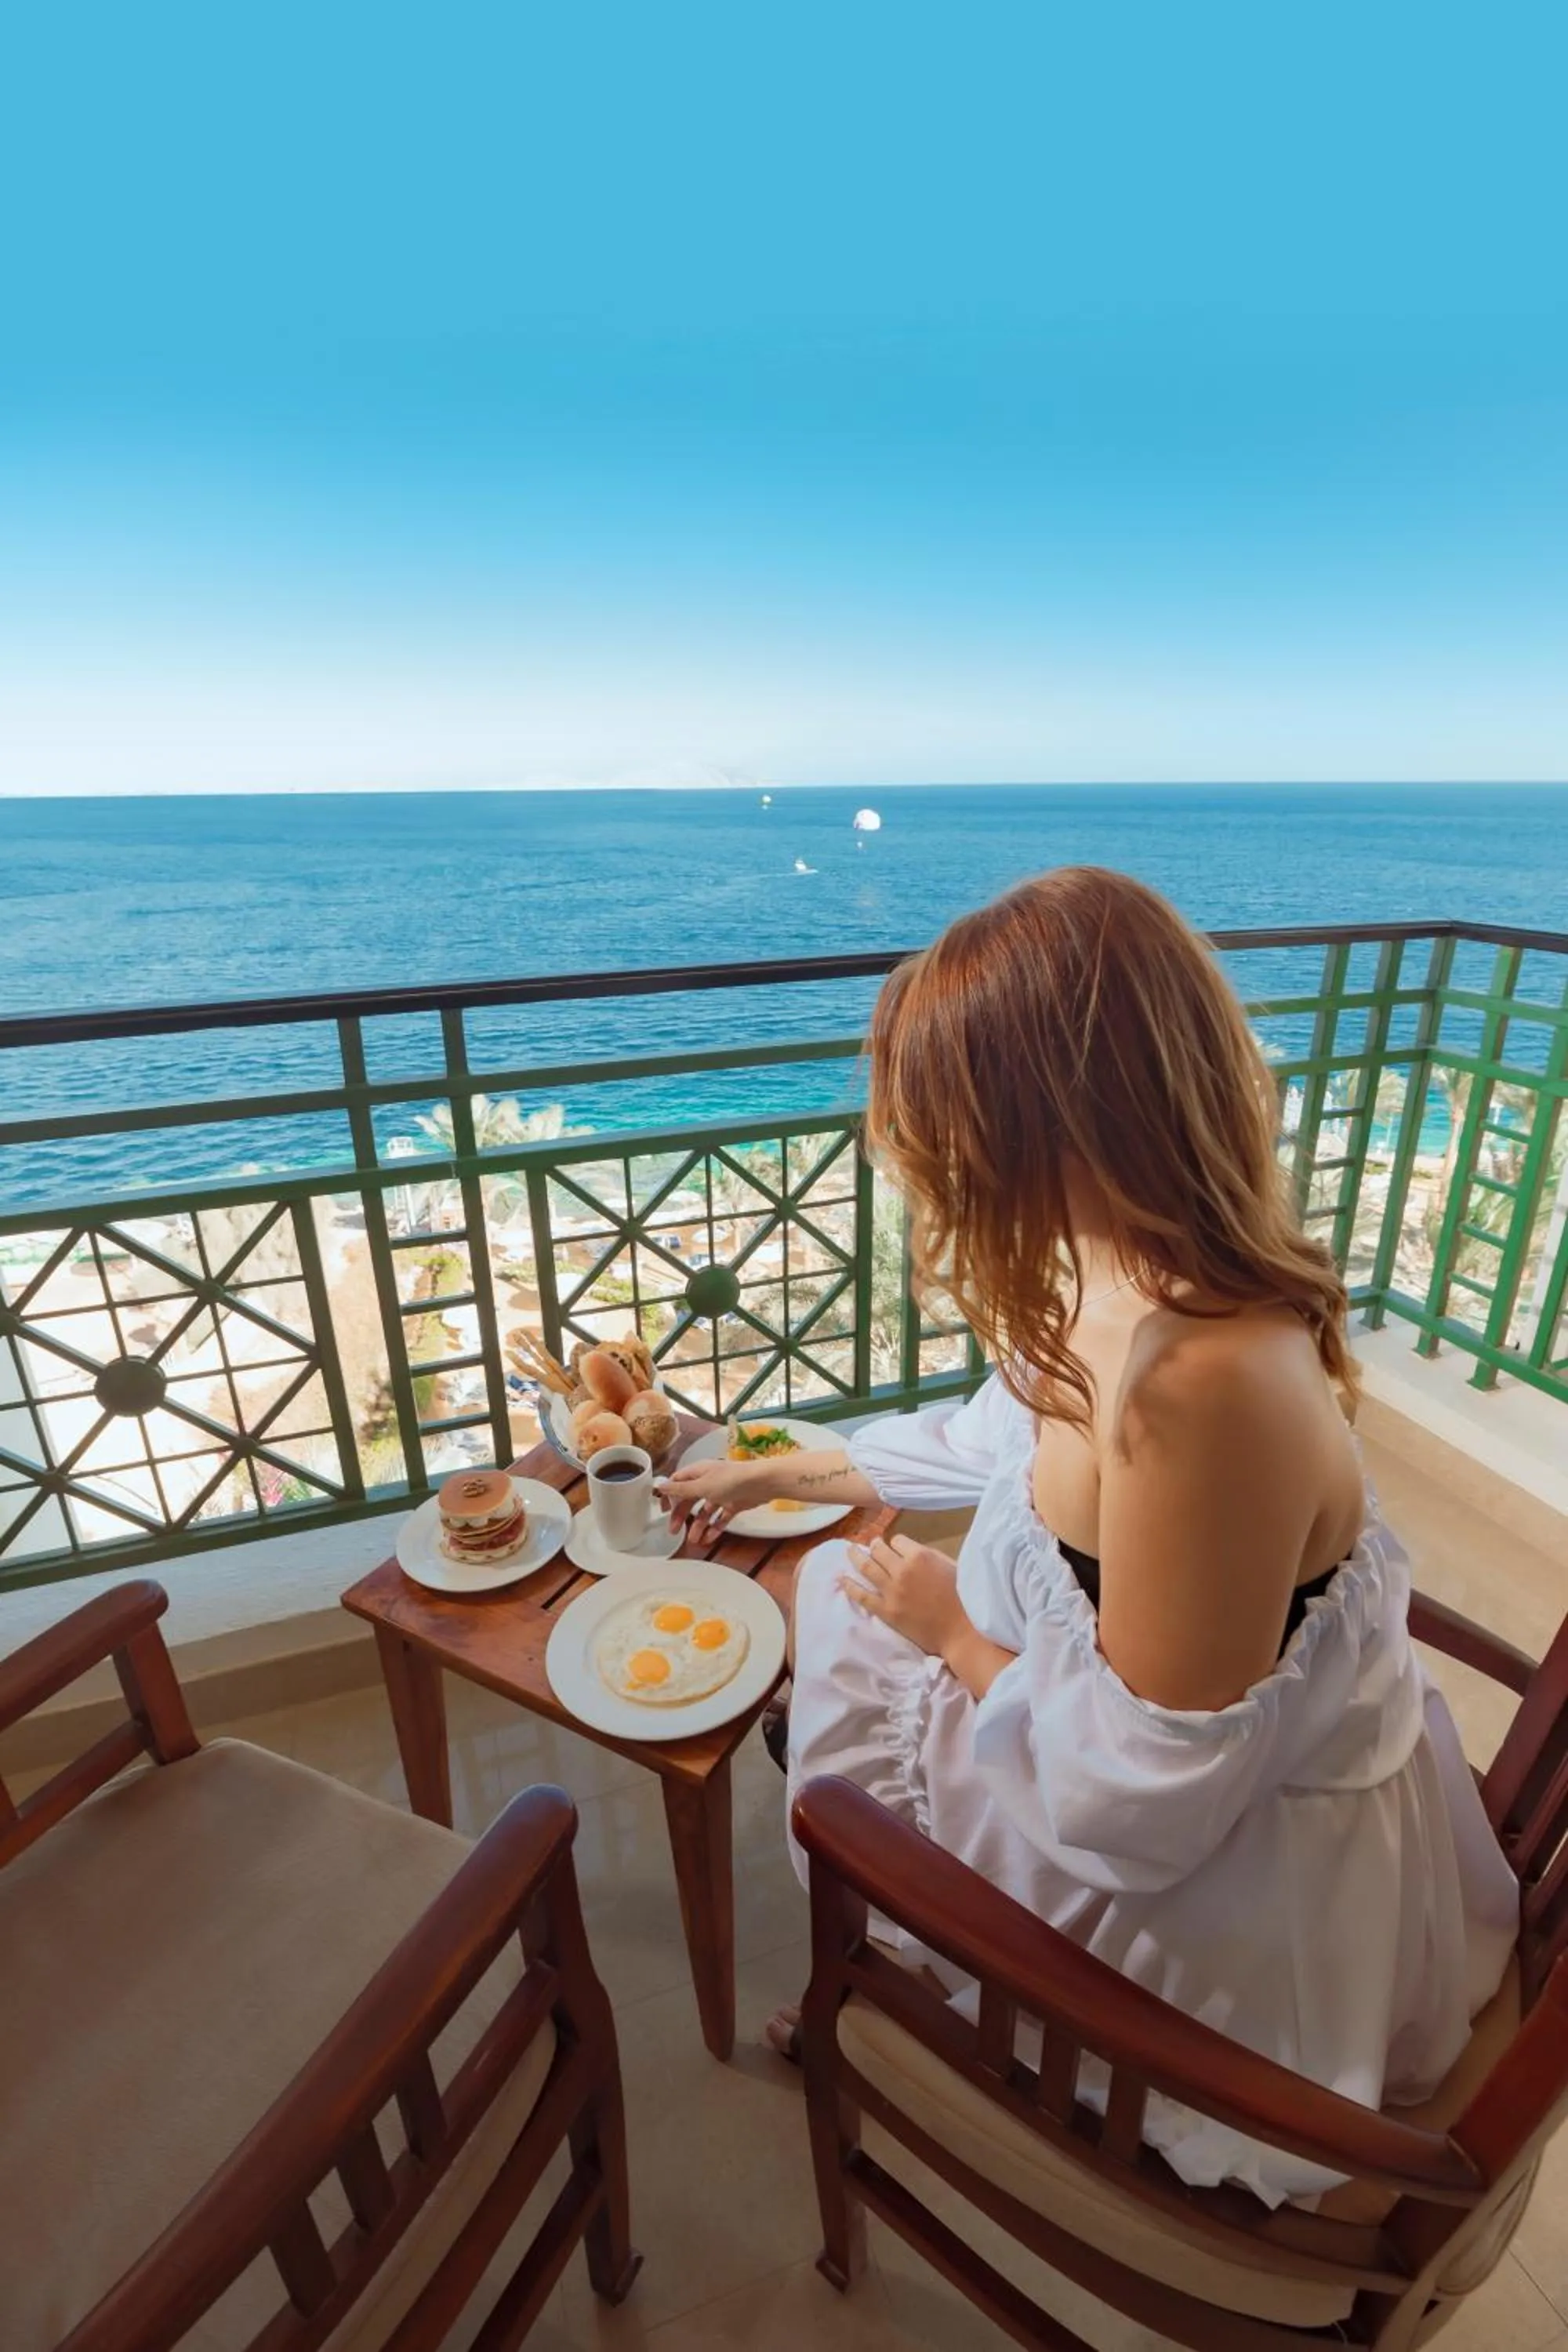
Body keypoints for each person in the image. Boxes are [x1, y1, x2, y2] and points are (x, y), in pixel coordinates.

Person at [662, 866, 1517, 2204]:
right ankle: (893, 1968)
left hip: (1208, 1887)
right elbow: (994, 1439)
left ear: (1053, 1128)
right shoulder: (1129, 1259)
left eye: (954, 1134)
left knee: (842, 1679)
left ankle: (912, 2005)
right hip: (1145, 1759)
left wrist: (953, 1634)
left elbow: (1141, 1807)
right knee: (834, 1583)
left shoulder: (1200, 1387)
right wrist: (792, 1465)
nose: (939, 1172)